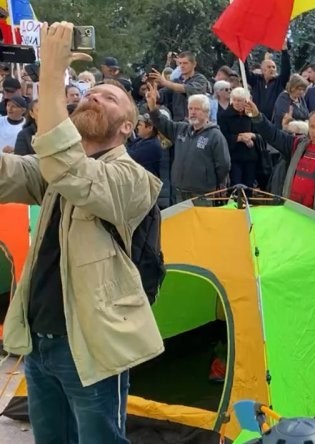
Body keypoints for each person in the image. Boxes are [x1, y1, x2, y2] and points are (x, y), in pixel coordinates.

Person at [0, 22, 164, 443]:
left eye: (109, 97)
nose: (93, 96)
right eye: (90, 93)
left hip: (88, 348)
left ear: (127, 126)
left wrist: (50, 75)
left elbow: (72, 169)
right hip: (40, 343)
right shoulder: (54, 171)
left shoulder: (135, 179)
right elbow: (8, 175)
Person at [244, 101, 315, 230]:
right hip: (291, 214)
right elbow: (273, 135)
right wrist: (257, 116)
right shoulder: (297, 144)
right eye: (312, 126)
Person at [145, 83, 231, 204]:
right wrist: (153, 107)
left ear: (206, 112)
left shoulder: (215, 135)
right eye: (190, 108)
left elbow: (224, 165)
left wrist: (211, 181)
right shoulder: (181, 129)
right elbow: (162, 123)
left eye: (197, 109)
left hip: (202, 194)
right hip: (179, 191)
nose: (193, 112)